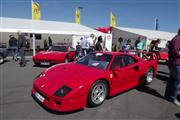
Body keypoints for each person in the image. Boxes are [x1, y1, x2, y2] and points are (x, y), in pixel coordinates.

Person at [165, 28, 180, 105]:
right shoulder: (178, 39)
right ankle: (173, 98)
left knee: (172, 80)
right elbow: (175, 51)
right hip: (176, 63)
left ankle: (168, 96)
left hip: (174, 63)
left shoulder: (176, 38)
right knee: (177, 81)